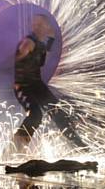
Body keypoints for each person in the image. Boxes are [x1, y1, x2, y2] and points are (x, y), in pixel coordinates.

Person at [10, 14, 86, 152]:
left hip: (37, 85)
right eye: (35, 24)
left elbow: (45, 51)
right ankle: (14, 149)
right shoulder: (29, 42)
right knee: (35, 115)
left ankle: (80, 147)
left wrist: (51, 38)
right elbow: (22, 51)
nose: (36, 26)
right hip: (23, 87)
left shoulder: (41, 43)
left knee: (57, 112)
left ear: (47, 28)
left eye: (40, 24)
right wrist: (21, 53)